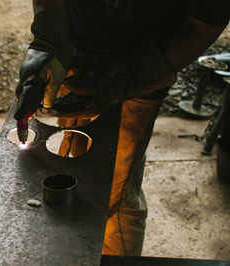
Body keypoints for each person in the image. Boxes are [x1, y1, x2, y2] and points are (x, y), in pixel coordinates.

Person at [14, 0, 230, 256]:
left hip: (142, 69)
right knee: (75, 166)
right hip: (72, 60)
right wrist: (49, 42)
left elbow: (201, 28)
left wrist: (122, 82)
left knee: (113, 193)